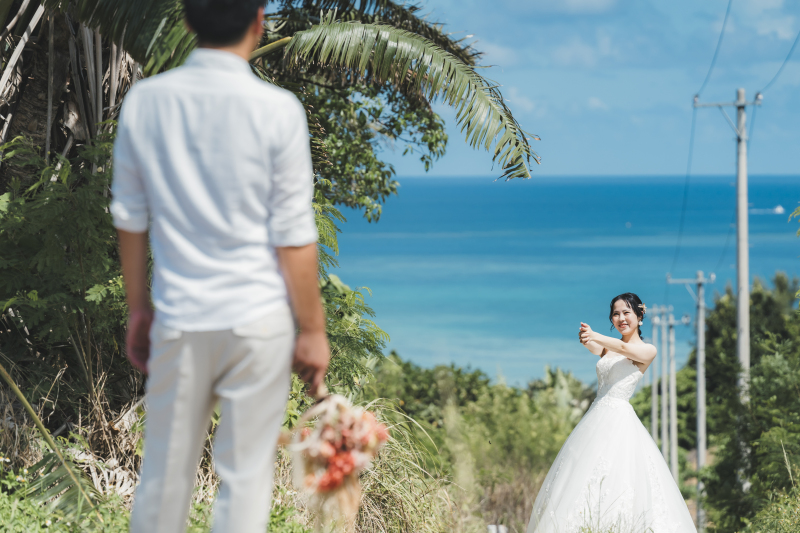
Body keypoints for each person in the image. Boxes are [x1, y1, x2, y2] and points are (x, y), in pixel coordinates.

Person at [110, 1, 330, 531]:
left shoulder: (146, 102)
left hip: (182, 320)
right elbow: (294, 239)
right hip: (259, 325)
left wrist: (139, 310)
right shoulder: (278, 110)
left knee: (163, 482)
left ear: (187, 21)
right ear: (260, 21)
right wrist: (313, 330)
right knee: (246, 483)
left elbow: (131, 219)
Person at [526, 293, 697, 533]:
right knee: (582, 477)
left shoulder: (648, 350)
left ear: (640, 316)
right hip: (596, 416)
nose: (621, 318)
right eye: (616, 314)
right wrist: (587, 337)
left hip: (619, 419)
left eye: (626, 312)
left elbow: (623, 347)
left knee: (619, 476)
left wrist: (597, 336)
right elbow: (597, 348)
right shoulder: (610, 348)